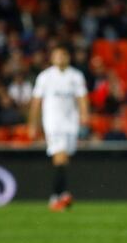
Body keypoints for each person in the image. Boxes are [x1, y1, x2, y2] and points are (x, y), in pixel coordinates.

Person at [27, 46, 89, 211]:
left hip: (71, 123)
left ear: (68, 57)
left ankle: (60, 195)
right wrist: (33, 124)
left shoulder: (76, 76)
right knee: (60, 157)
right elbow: (36, 102)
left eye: (64, 54)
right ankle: (57, 196)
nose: (61, 58)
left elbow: (82, 98)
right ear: (52, 58)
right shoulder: (45, 77)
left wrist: (84, 117)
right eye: (58, 55)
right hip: (53, 123)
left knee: (64, 159)